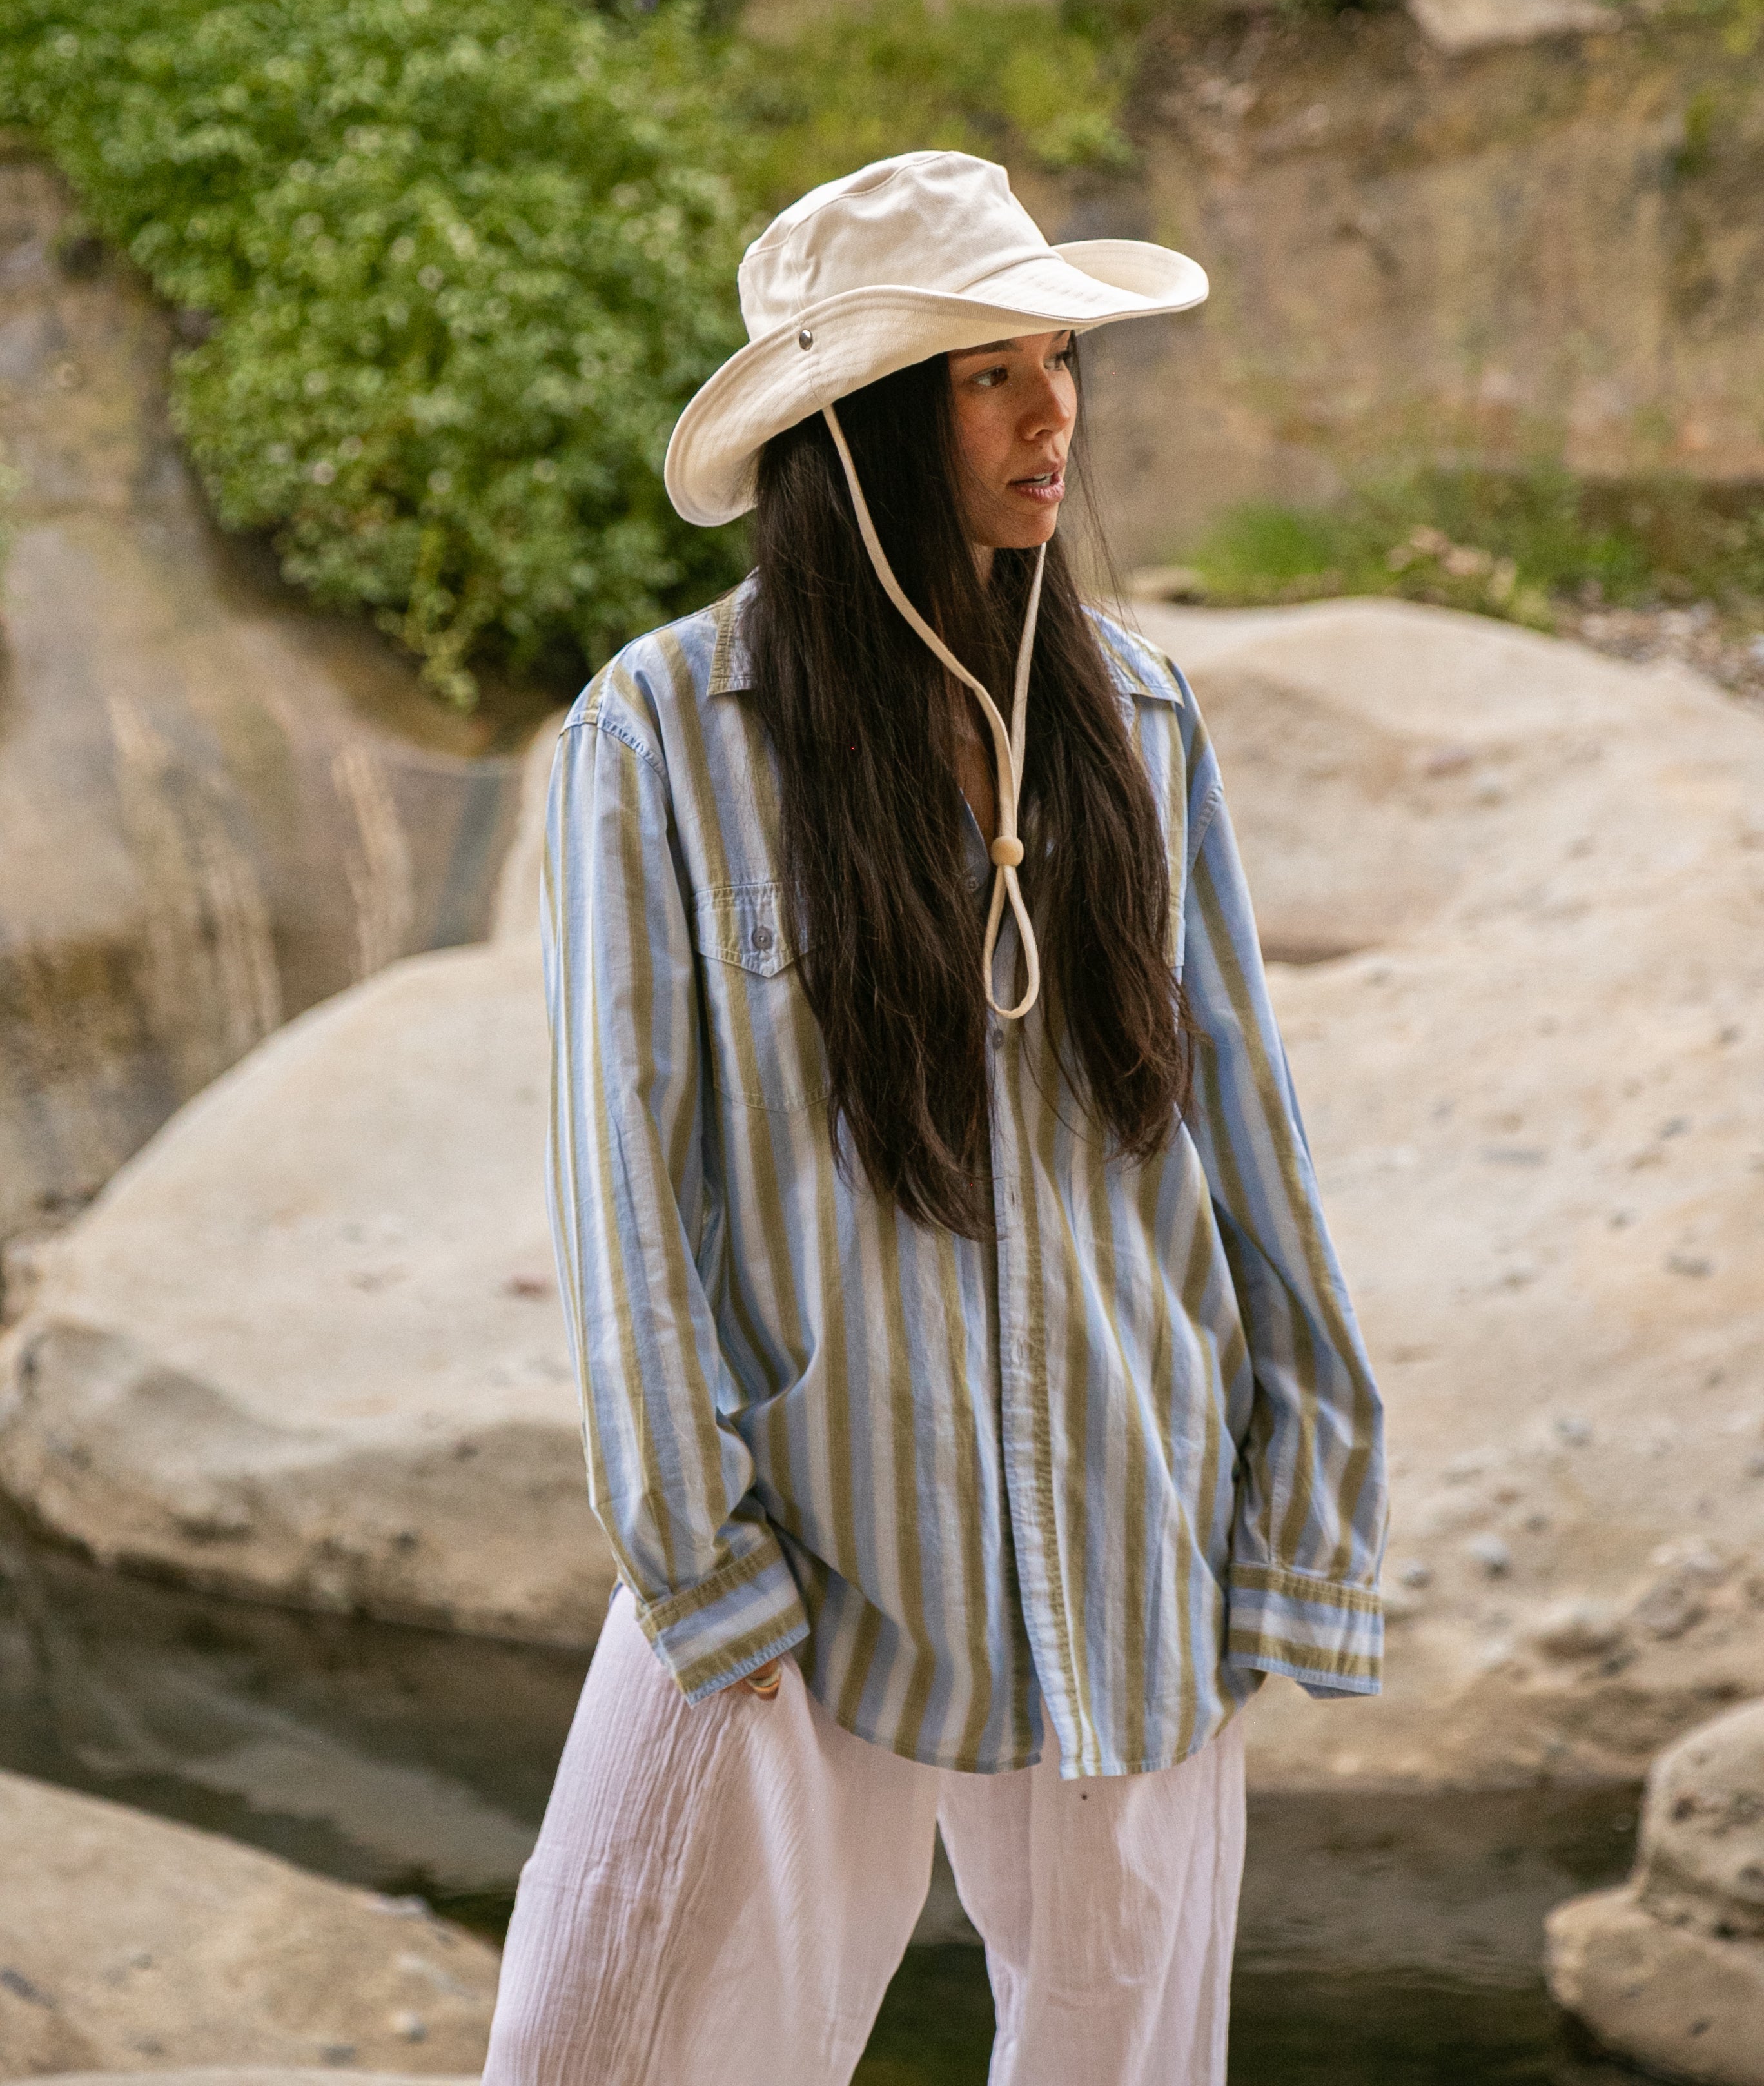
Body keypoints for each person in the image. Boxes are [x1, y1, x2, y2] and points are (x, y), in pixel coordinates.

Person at [484, 151, 1387, 2086]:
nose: (1056, 412)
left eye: (1061, 358)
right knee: (600, 2048)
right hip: (802, 1546)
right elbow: (621, 1181)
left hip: (1135, 1526)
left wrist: (1297, 1499)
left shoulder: (1135, 721)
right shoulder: (658, 736)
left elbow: (1245, 1125)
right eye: (993, 373)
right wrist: (694, 1555)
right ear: (866, 421)